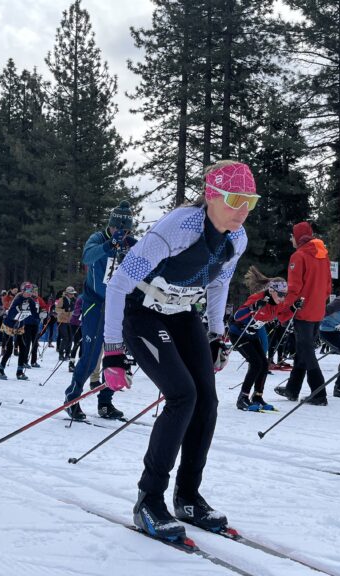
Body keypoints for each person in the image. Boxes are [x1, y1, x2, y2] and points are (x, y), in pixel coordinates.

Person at [103, 160, 254, 540]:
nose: (242, 210)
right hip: (143, 314)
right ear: (211, 196)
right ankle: (149, 499)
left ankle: (187, 496)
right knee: (182, 395)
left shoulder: (237, 238)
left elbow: (219, 286)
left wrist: (218, 335)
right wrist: (113, 352)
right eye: (234, 199)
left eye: (250, 200)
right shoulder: (180, 226)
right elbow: (119, 284)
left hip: (184, 313)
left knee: (207, 401)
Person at [64, 200, 137, 421]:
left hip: (119, 306)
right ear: (111, 226)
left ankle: (105, 402)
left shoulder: (129, 243)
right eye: (117, 229)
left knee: (117, 356)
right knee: (91, 355)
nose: (120, 233)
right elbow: (87, 257)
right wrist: (109, 245)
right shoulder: (98, 238)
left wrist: (137, 249)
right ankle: (72, 400)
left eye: (125, 230)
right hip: (96, 303)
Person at [275, 221, 332, 405]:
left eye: (292, 235)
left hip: (303, 310)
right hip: (317, 309)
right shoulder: (323, 255)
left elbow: (294, 288)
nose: (291, 239)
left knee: (306, 351)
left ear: (298, 237)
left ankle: (319, 392)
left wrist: (284, 311)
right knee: (303, 349)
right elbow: (328, 285)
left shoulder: (298, 256)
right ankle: (292, 388)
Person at [229, 266, 294, 411]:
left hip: (252, 335)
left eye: (285, 294)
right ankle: (243, 398)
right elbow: (237, 316)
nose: (283, 298)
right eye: (281, 294)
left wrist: (293, 308)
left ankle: (257, 396)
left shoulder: (277, 303)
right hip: (238, 334)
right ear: (271, 291)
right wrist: (252, 307)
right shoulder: (258, 298)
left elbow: (282, 317)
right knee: (256, 363)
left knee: (264, 364)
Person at [55, 286, 78, 362]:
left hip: (71, 321)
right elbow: (57, 309)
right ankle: (61, 354)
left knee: (71, 338)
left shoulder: (74, 300)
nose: (72, 295)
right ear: (67, 293)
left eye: (73, 293)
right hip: (62, 321)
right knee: (65, 337)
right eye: (71, 294)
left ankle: (67, 354)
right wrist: (64, 311)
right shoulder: (61, 300)